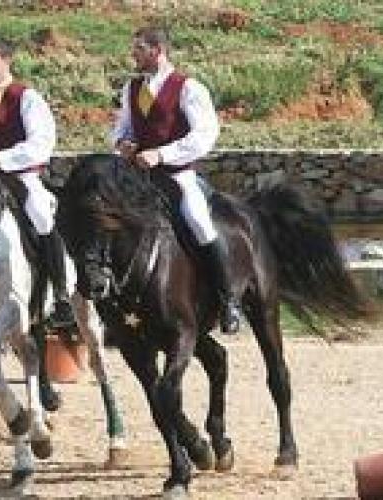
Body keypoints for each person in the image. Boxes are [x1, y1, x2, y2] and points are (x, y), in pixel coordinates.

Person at [110, 27, 241, 334]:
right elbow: (122, 127)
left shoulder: (188, 88)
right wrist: (121, 143)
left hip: (177, 175)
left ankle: (228, 301)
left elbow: (204, 135)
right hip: (138, 176)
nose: (133, 54)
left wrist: (163, 154)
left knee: (199, 222)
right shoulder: (132, 88)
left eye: (139, 49)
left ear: (158, 50)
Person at [0, 36, 76, 329]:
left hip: (21, 176)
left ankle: (60, 295)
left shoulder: (27, 98)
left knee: (41, 214)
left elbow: (41, 144)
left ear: (7, 60)